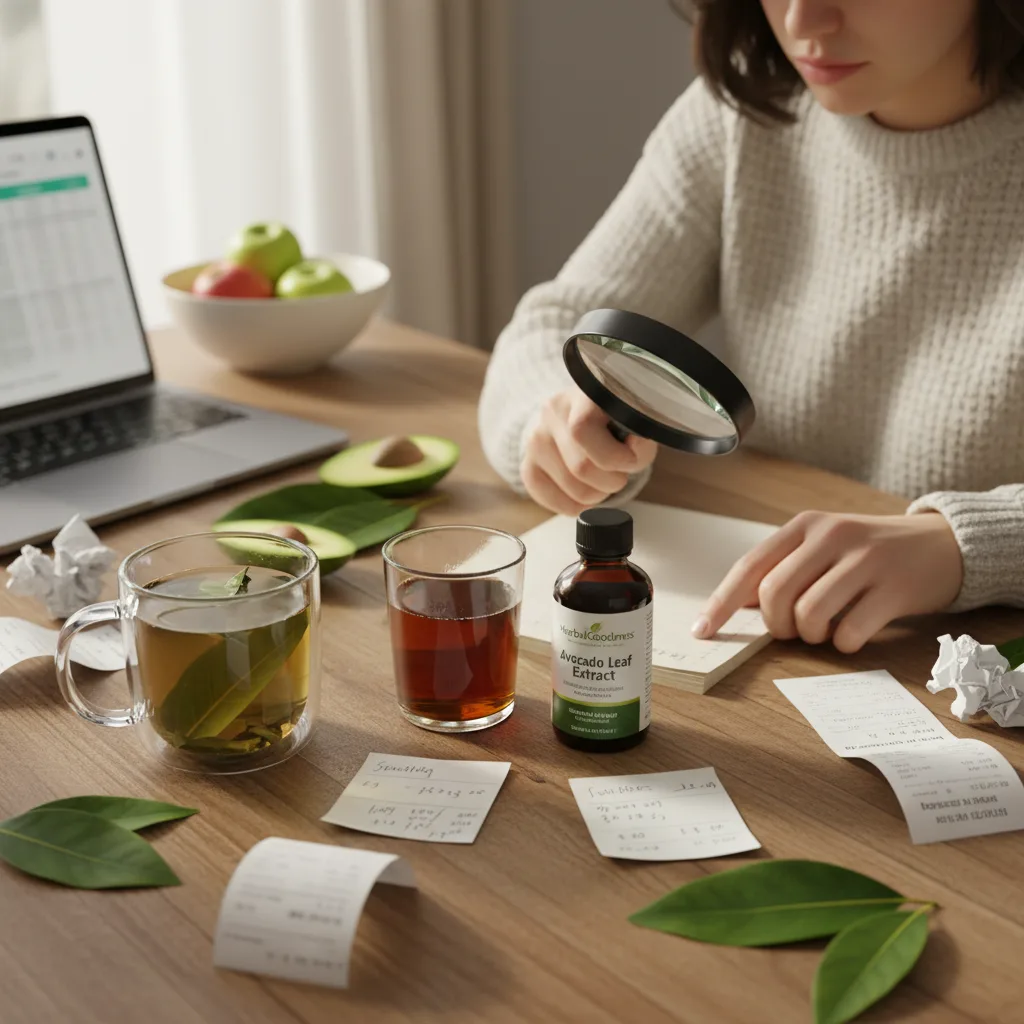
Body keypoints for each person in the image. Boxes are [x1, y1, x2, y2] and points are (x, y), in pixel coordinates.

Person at [478, 0, 1024, 654]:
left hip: (955, 673)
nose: (803, 22)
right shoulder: (748, 112)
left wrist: (962, 546)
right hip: (766, 647)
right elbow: (555, 322)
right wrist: (555, 426)